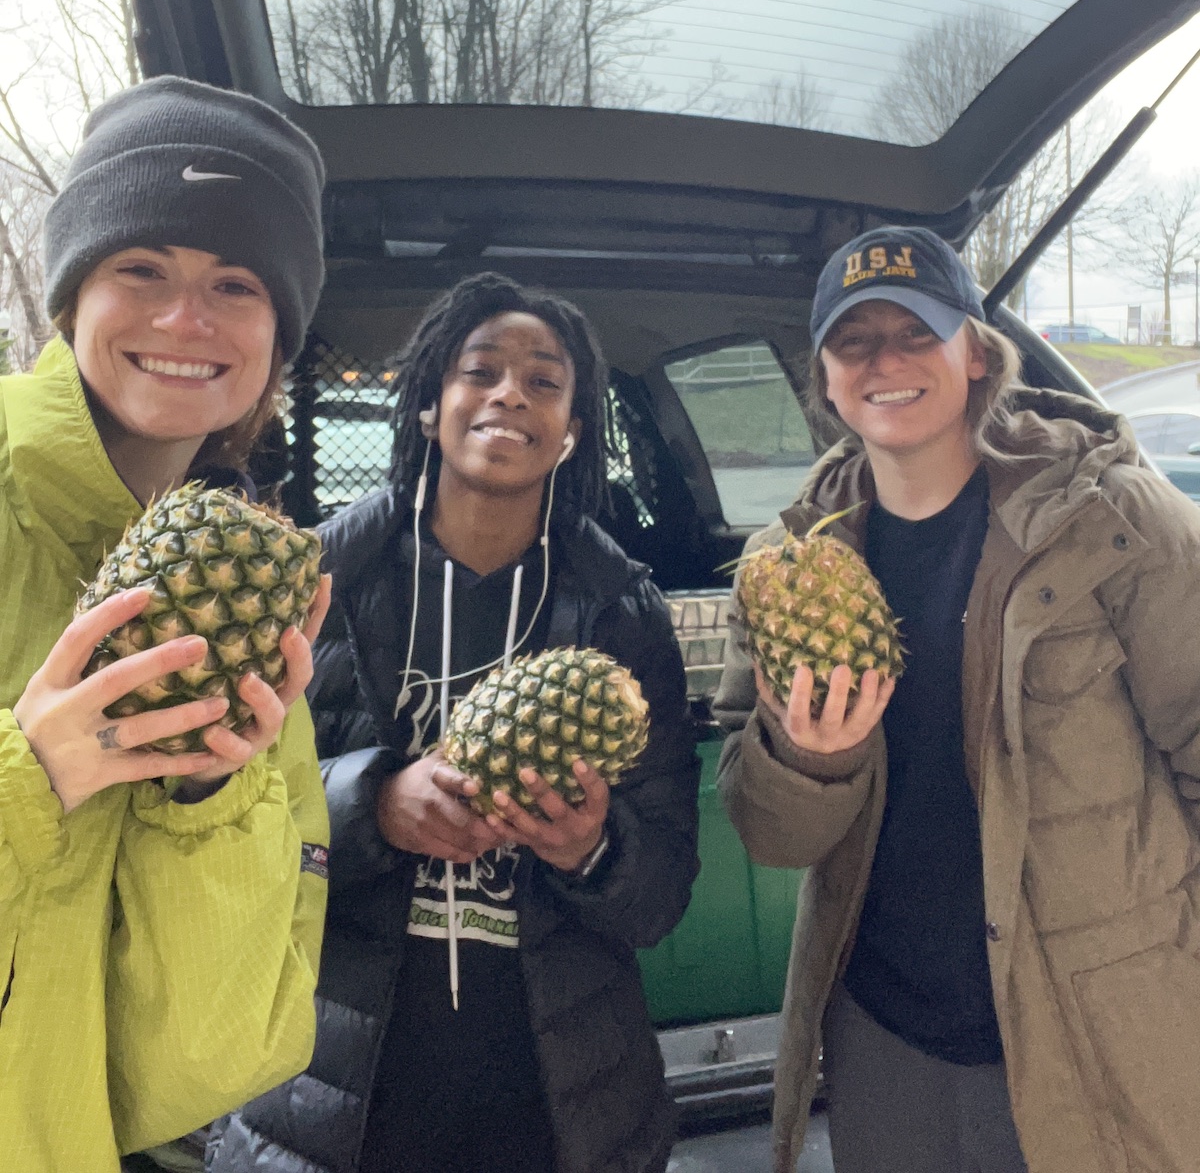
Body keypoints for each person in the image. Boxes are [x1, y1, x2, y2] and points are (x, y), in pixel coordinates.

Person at [716, 226, 1200, 1173]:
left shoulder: (1114, 519)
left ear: (976, 353)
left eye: (916, 332)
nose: (884, 361)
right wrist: (813, 761)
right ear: (824, 373)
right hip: (884, 1026)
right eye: (854, 340)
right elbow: (771, 835)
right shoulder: (781, 569)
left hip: (1095, 1016)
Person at [207, 272, 701, 1173]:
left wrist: (594, 847)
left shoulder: (623, 613)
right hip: (332, 1087)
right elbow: (213, 823)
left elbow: (662, 889)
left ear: (571, 434)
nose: (512, 393)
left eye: (545, 383)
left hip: (555, 1097)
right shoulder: (308, 584)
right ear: (431, 405)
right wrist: (370, 803)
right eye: (483, 372)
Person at [0, 76, 332, 1173]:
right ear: (70, 295)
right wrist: (28, 776)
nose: (187, 319)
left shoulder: (249, 595)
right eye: (141, 267)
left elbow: (207, 1062)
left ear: (276, 338)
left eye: (237, 283)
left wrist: (207, 801)